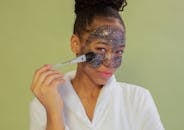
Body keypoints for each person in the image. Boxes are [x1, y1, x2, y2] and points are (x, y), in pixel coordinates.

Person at [30, 0, 165, 130]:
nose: (110, 62)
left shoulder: (138, 100)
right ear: (75, 44)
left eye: (119, 51)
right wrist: (54, 113)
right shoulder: (45, 102)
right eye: (101, 49)